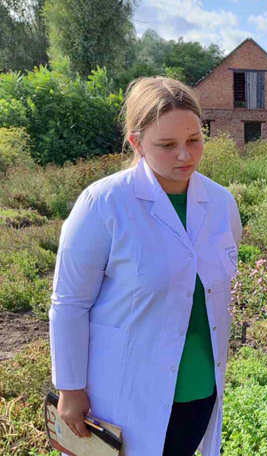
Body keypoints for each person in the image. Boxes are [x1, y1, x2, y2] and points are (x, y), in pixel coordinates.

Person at [49, 76, 242, 456]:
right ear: (137, 143)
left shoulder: (221, 204)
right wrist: (70, 389)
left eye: (194, 140)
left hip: (198, 390)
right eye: (167, 145)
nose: (184, 156)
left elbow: (219, 290)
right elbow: (70, 303)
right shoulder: (104, 204)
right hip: (125, 394)